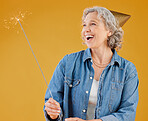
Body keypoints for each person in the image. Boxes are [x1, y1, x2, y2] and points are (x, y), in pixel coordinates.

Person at [43, 6, 139, 121]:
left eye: (93, 24)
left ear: (110, 31)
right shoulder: (68, 62)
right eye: (84, 25)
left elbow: (128, 113)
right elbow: (52, 103)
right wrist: (53, 113)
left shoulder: (127, 70)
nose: (86, 30)